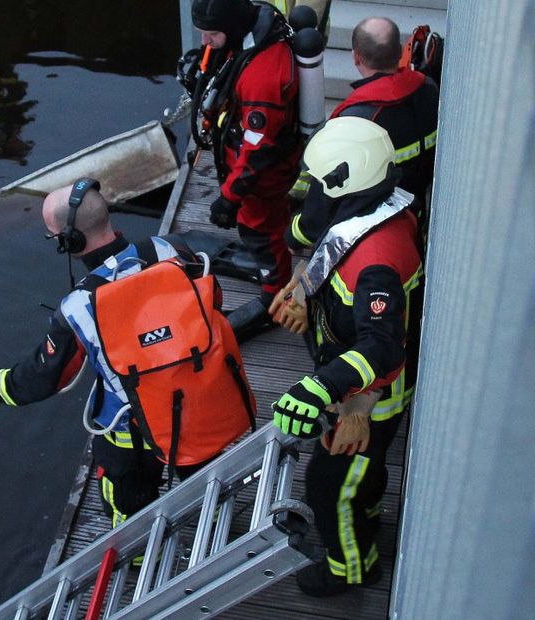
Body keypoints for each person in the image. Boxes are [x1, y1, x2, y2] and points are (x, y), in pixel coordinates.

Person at [0, 180, 254, 529]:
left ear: (69, 241)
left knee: (126, 492)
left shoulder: (78, 308)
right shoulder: (172, 249)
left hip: (133, 429)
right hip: (196, 403)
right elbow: (210, 306)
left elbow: (45, 378)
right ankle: (216, 519)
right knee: (201, 470)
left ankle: (136, 551)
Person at [267, 117, 423, 596]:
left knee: (330, 487)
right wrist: (303, 291)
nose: (310, 194)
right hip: (353, 381)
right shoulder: (378, 208)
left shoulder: (377, 261)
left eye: (316, 184)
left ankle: (351, 569)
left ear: (342, 183)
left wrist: (326, 390)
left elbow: (379, 345)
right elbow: (330, 251)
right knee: (360, 476)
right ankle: (367, 506)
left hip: (370, 398)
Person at [187, 0, 305, 339]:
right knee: (267, 221)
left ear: (232, 29)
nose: (206, 42)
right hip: (257, 156)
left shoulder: (263, 78)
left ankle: (275, 292)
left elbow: (257, 149)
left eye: (211, 35)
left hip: (264, 175)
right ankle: (275, 249)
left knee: (258, 229)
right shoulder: (251, 32)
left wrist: (229, 198)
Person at [287, 16, 440, 249]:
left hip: (366, 232)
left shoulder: (356, 123)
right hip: (415, 219)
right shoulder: (429, 90)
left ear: (355, 57)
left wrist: (296, 234)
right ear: (400, 51)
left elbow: (324, 200)